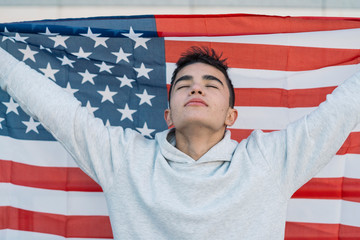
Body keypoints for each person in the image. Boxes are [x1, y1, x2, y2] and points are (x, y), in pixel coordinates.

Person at [1, 45, 360, 240]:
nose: (197, 87)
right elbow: (56, 108)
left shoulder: (269, 161)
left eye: (211, 83)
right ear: (169, 115)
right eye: (184, 84)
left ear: (230, 116)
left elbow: (341, 110)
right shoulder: (124, 159)